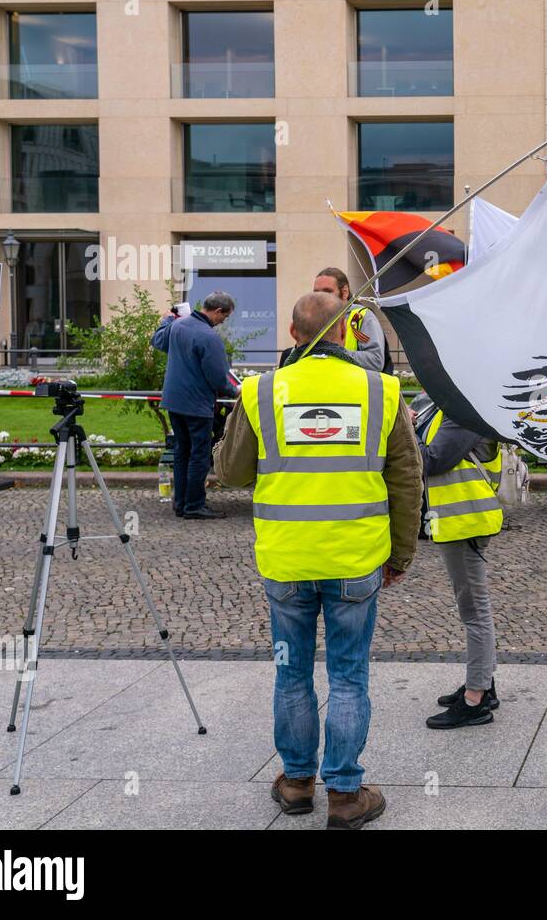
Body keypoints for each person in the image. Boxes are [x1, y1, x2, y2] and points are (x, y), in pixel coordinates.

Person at [213, 292, 423, 830]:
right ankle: (347, 794)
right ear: (347, 334)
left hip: (286, 563)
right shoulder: (381, 391)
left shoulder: (261, 392)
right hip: (357, 560)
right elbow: (405, 478)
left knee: (291, 673)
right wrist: (400, 552)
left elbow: (231, 474)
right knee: (349, 675)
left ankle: (297, 782)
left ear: (292, 331)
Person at [412, 395, 504, 730]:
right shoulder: (450, 406)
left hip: (465, 521)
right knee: (475, 609)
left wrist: (399, 430)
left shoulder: (465, 411)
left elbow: (433, 459)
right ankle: (484, 684)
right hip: (458, 520)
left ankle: (475, 701)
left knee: (474, 612)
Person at [151, 291, 237, 520]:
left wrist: (168, 318)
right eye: (224, 317)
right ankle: (195, 505)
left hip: (173, 401)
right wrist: (235, 391)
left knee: (181, 452)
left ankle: (181, 504)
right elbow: (219, 378)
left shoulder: (179, 326)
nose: (223, 322)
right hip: (197, 404)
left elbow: (157, 340)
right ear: (218, 311)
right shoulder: (209, 338)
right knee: (199, 455)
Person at [278, 267, 390, 373]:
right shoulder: (313, 316)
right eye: (316, 292)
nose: (320, 297)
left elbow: (375, 361)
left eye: (327, 292)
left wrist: (331, 353)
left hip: (349, 386)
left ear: (345, 292)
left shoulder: (363, 317)